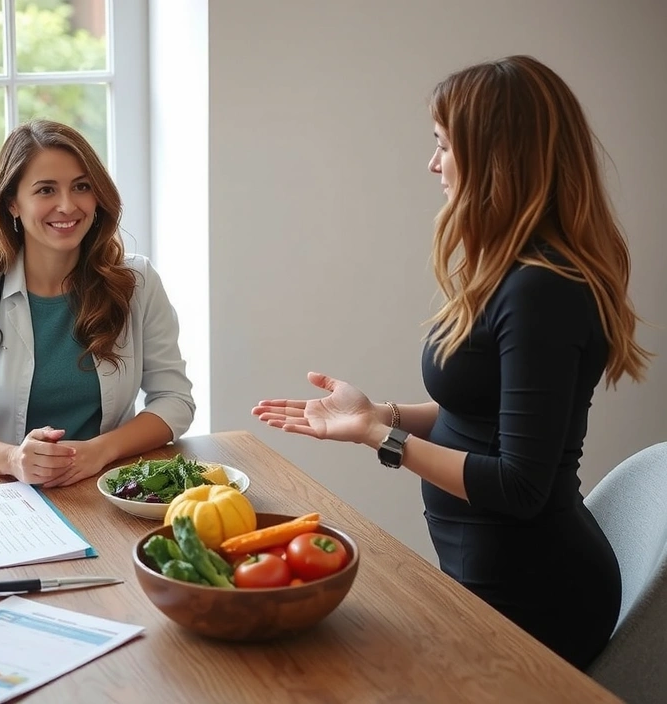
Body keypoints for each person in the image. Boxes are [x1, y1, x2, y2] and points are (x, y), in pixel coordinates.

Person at [253, 55, 650, 670]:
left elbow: (520, 486)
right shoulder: (512, 272)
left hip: (536, 598)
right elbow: (482, 415)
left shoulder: (542, 290)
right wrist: (380, 413)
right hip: (487, 574)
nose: (432, 163)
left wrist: (381, 439)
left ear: (497, 157)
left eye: (444, 145)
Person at [0, 119, 195, 487]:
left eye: (81, 187)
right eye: (46, 190)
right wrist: (13, 459)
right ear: (13, 204)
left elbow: (175, 401)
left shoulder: (136, 282)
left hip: (111, 484)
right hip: (9, 490)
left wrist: (101, 450)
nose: (67, 206)